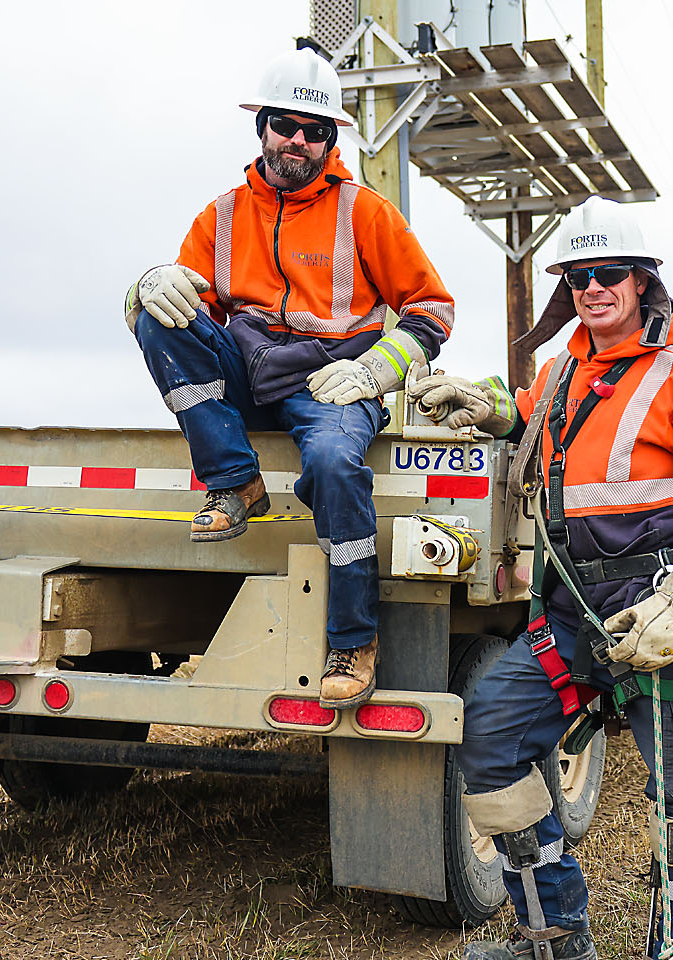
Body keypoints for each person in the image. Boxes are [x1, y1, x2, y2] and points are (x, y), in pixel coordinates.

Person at [407, 196, 673, 960]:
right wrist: (489, 405)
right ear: (567, 288)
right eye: (579, 275)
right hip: (572, 617)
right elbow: (528, 414)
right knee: (491, 731)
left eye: (610, 273)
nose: (595, 287)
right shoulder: (565, 373)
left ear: (642, 282)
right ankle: (552, 932)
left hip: (654, 618)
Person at [123, 48, 454, 711]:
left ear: (331, 140)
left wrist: (371, 372)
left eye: (314, 129)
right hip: (249, 375)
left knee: (334, 463)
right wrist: (142, 288)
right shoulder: (221, 215)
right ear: (262, 128)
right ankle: (234, 481)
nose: (297, 140)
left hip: (334, 384)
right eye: (285, 125)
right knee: (158, 316)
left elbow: (432, 311)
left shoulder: (365, 212)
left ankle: (354, 641)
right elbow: (188, 314)